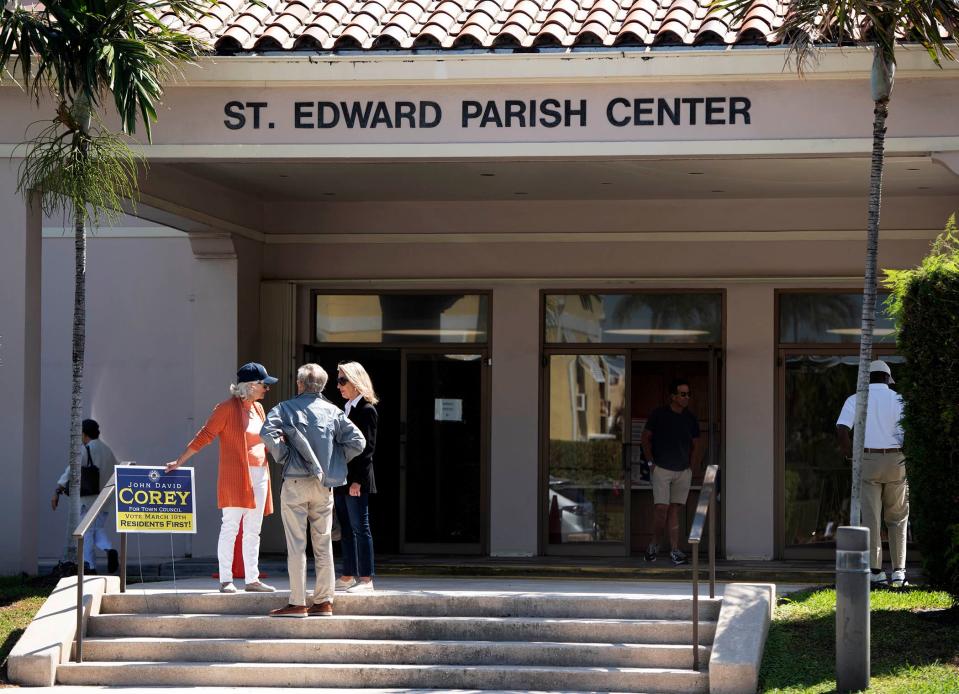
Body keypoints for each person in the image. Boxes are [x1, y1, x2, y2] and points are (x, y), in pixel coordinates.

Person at [261, 363, 365, 618]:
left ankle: (297, 602)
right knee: (323, 543)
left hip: (295, 482)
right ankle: (324, 601)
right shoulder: (333, 411)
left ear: (299, 384)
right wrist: (335, 463)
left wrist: (284, 455)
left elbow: (266, 432)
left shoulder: (284, 408)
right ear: (324, 385)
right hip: (324, 486)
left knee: (296, 545)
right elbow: (358, 442)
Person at [166, 362, 277, 594]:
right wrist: (179, 461)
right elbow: (205, 435)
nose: (267, 389)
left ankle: (252, 579)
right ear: (251, 386)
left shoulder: (258, 409)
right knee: (230, 526)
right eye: (264, 385)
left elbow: (264, 439)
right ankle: (226, 579)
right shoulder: (226, 408)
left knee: (253, 529)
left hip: (260, 474)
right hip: (236, 475)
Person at [836, 359, 908, 588]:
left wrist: (850, 455)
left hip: (867, 459)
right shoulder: (899, 399)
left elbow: (841, 429)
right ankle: (899, 572)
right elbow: (910, 430)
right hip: (896, 458)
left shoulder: (856, 398)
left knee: (872, 518)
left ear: (867, 378)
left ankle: (876, 572)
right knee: (897, 518)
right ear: (887, 378)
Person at [641, 378, 702, 566]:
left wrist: (691, 466)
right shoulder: (659, 414)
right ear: (673, 396)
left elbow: (697, 444)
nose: (686, 398)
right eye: (683, 394)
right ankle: (654, 544)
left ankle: (675, 550)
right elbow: (645, 438)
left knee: (674, 509)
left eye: (688, 394)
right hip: (662, 469)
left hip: (682, 471)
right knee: (661, 508)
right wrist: (651, 463)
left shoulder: (690, 418)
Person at [333, 361, 379, 593]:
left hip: (355, 480)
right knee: (346, 529)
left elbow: (367, 449)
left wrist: (357, 481)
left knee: (361, 527)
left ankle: (366, 579)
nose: (339, 385)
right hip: (343, 478)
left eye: (343, 380)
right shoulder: (346, 408)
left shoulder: (367, 410)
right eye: (338, 380)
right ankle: (348, 574)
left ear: (356, 382)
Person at [51, 419, 119, 574]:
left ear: (84, 433)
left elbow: (71, 470)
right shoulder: (107, 450)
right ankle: (109, 549)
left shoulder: (86, 449)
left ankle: (89, 567)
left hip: (88, 500)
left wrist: (58, 489)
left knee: (86, 534)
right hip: (105, 499)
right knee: (97, 529)